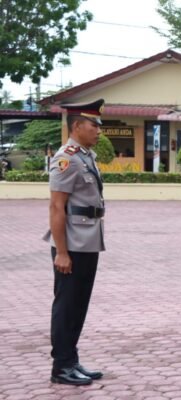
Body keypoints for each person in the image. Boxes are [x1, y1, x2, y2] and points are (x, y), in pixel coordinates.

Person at [42, 99, 106, 385]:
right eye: (94, 125)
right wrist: (62, 253)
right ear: (77, 126)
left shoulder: (85, 156)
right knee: (67, 304)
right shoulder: (66, 158)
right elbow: (57, 208)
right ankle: (61, 367)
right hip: (72, 244)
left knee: (78, 304)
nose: (99, 131)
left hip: (87, 239)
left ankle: (71, 360)